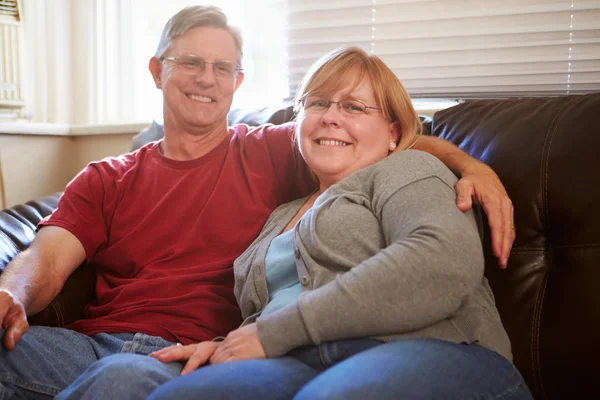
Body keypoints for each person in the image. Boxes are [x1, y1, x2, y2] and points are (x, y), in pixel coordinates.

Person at [0, 5, 514, 400]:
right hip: (148, 346)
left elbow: (427, 241)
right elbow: (45, 258)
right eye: (318, 103)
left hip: (418, 349)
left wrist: (472, 165)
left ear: (238, 82)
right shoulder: (278, 219)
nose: (207, 78)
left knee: (123, 380)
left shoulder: (370, 164)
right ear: (157, 70)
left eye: (222, 67)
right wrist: (12, 295)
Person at [147, 46, 532, 400]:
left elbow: (441, 262)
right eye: (318, 103)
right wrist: (228, 345)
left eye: (353, 108)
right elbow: (267, 317)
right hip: (300, 361)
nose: (331, 117)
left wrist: (273, 333)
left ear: (393, 133)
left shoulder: (408, 170)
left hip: (440, 353)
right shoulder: (281, 214)